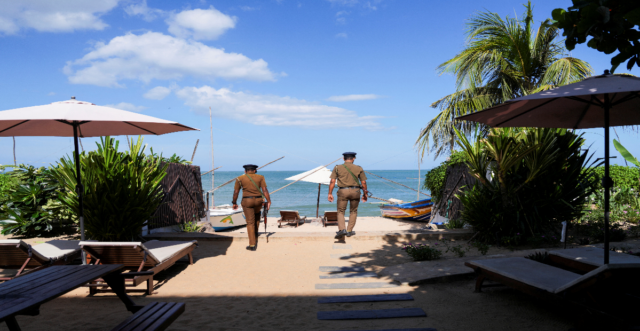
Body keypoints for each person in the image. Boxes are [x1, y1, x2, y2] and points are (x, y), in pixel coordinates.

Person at [328, 152, 368, 240]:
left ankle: (342, 230)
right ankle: (349, 230)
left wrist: (330, 193)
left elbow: (332, 182)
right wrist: (365, 194)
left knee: (341, 211)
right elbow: (363, 182)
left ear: (343, 158)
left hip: (343, 191)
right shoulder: (359, 168)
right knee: (353, 211)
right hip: (356, 191)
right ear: (353, 158)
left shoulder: (337, 167)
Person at [232, 164, 272, 251]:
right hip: (258, 201)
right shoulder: (261, 177)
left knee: (250, 222)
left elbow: (236, 192)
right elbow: (264, 190)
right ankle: (255, 235)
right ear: (255, 170)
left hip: (247, 201)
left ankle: (252, 244)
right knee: (257, 216)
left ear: (245, 171)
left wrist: (234, 202)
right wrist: (269, 201)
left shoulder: (239, 178)